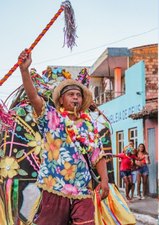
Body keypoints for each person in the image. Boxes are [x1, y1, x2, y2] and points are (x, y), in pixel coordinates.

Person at [19, 49, 109, 225]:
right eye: (71, 94)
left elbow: (97, 154)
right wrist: (24, 70)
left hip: (82, 189)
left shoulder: (89, 124)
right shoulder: (51, 117)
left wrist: (104, 181)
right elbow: (34, 98)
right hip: (54, 187)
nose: (75, 98)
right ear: (61, 100)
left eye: (78, 95)